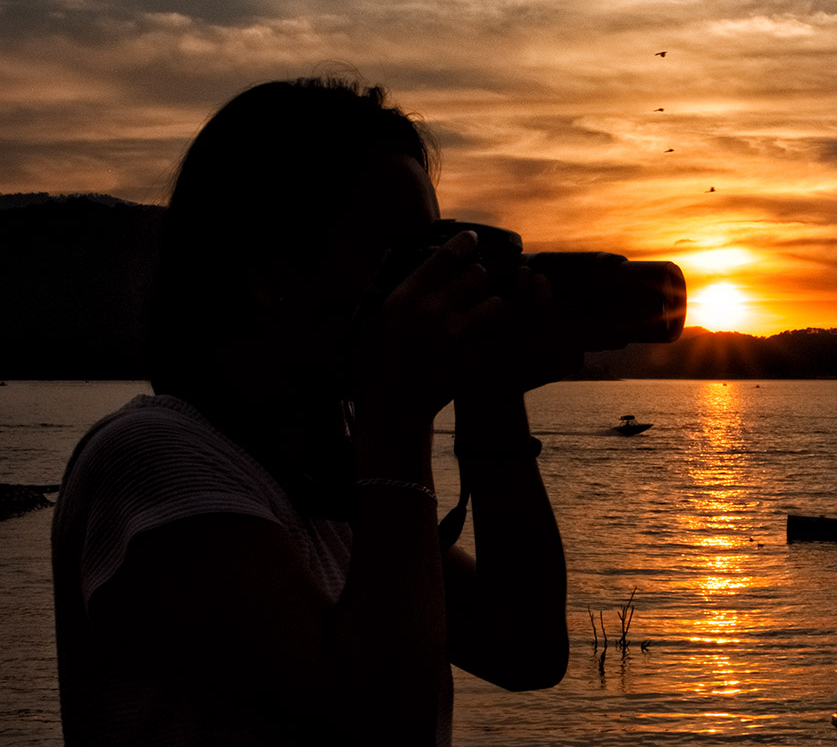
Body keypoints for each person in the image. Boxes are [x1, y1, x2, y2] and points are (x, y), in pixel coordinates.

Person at [51, 77, 576, 745]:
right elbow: (386, 727)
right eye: (397, 255)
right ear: (267, 269)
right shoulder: (155, 463)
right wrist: (396, 418)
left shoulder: (324, 490)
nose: (429, 283)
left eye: (436, 253)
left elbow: (525, 648)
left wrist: (492, 397)